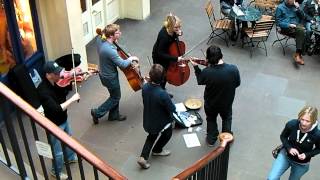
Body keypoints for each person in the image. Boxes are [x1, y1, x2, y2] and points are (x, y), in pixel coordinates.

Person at [190, 45, 240, 146]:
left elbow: (200, 80)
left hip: (211, 103)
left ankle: (211, 139)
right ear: (221, 55)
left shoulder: (207, 72)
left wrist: (196, 67)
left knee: (211, 119)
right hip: (227, 102)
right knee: (226, 118)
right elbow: (237, 83)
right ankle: (226, 137)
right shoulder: (233, 69)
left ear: (208, 58)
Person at [37, 61, 80, 179]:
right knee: (58, 152)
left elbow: (64, 87)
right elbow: (56, 109)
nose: (60, 75)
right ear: (48, 75)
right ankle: (55, 172)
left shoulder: (57, 81)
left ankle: (70, 158)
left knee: (69, 139)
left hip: (63, 119)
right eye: (57, 73)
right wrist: (72, 100)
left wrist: (72, 76)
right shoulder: (43, 91)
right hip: (54, 124)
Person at [90, 24, 139, 124]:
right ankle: (97, 112)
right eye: (117, 32)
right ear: (111, 36)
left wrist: (114, 42)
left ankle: (114, 115)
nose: (120, 33)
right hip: (110, 77)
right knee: (116, 97)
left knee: (114, 94)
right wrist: (131, 58)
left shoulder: (101, 39)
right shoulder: (109, 50)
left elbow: (104, 39)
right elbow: (123, 64)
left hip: (104, 73)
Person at [137, 64, 176, 169]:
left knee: (151, 137)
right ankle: (157, 150)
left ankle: (143, 157)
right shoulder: (163, 94)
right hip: (160, 122)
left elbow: (146, 86)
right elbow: (172, 109)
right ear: (163, 78)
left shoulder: (144, 87)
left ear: (150, 76)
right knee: (167, 134)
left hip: (148, 119)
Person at [267, 106, 320, 180]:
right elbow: (283, 136)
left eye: (308, 121)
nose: (304, 123)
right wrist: (289, 148)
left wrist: (306, 154)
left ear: (313, 121)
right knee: (271, 178)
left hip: (301, 164)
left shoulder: (317, 134)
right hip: (285, 155)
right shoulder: (292, 124)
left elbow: (319, 149)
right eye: (302, 119)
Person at [152, 13, 185, 97]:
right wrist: (176, 59)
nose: (178, 29)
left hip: (167, 53)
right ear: (170, 26)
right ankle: (160, 94)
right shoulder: (164, 36)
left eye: (179, 27)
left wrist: (179, 33)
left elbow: (175, 35)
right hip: (159, 57)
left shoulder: (172, 30)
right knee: (161, 76)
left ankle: (162, 91)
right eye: (176, 27)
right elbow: (160, 53)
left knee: (165, 76)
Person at [275, 0, 307, 65]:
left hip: (296, 26)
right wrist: (288, 25)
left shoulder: (295, 6)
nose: (293, 1)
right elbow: (278, 22)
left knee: (302, 31)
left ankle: (298, 54)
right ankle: (299, 54)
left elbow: (304, 17)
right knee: (302, 31)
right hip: (286, 28)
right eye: (291, 0)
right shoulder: (280, 7)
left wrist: (298, 8)